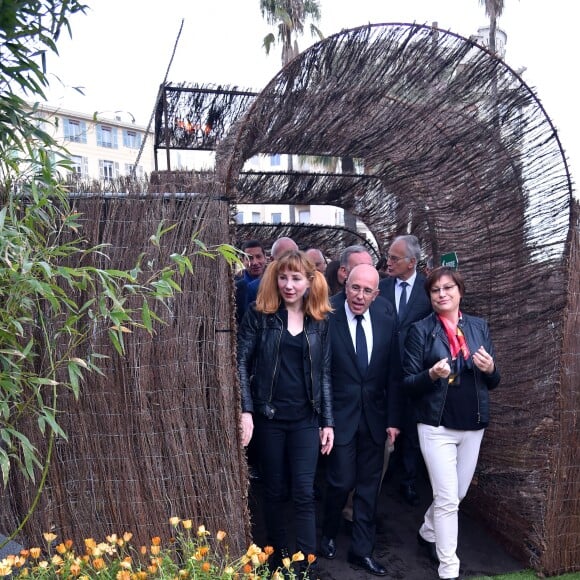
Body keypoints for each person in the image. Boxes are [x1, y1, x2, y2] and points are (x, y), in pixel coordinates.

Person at [238, 250, 334, 578]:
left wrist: (327, 421)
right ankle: (278, 559)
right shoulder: (259, 315)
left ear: (309, 281)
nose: (288, 285)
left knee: (304, 492)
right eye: (283, 277)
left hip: (306, 419)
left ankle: (306, 565)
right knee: (274, 491)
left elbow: (324, 373)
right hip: (269, 418)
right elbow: (240, 363)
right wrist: (247, 411)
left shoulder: (320, 321)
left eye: (296, 278)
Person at [403, 267, 500, 580]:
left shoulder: (478, 327)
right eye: (435, 290)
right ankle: (449, 570)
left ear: (460, 291)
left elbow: (494, 380)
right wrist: (431, 374)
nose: (442, 294)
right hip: (436, 425)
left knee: (455, 495)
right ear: (429, 296)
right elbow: (408, 383)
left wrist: (490, 368)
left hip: (473, 425)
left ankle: (427, 531)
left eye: (448, 288)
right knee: (446, 499)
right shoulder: (420, 331)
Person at [320, 264, 401, 577]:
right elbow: (322, 372)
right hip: (340, 416)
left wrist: (394, 419)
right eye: (355, 288)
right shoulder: (328, 314)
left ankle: (361, 551)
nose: (360, 295)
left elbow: (394, 372)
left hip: (376, 418)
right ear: (345, 284)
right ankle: (328, 532)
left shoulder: (385, 314)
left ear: (376, 294)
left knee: (369, 488)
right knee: (340, 480)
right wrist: (324, 419)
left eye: (368, 290)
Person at [378, 234, 432, 506]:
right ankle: (381, 473)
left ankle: (408, 480)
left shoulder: (427, 290)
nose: (388, 262)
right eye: (388, 256)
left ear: (411, 263)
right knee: (384, 421)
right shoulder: (380, 286)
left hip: (414, 368)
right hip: (382, 367)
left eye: (394, 258)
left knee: (411, 426)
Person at [245, 236, 298, 307]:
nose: (290, 262)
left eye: (294, 257)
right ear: (272, 260)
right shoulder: (255, 288)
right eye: (284, 258)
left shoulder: (306, 287)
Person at [235, 240, 267, 325]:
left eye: (258, 257)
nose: (255, 263)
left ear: (265, 257)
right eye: (249, 258)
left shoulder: (276, 282)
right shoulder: (235, 286)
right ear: (242, 261)